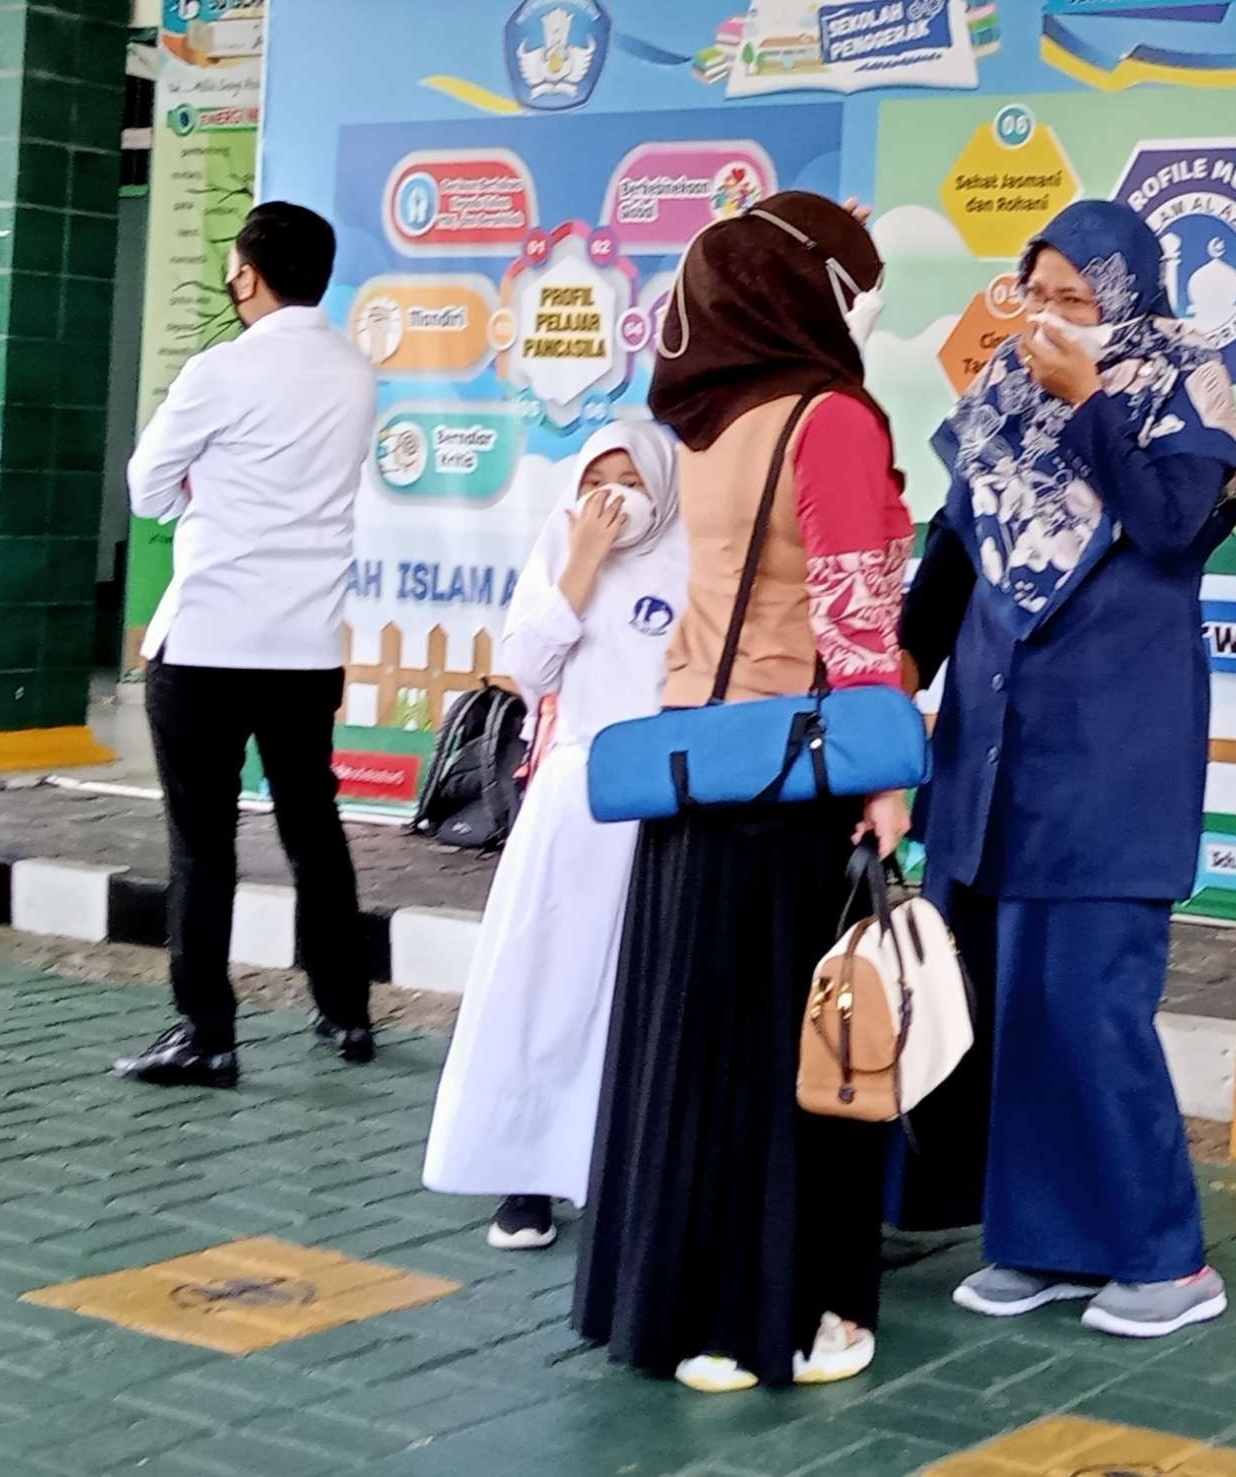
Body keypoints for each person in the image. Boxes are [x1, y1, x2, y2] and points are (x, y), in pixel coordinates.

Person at [572, 191, 911, 1394]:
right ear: (807, 295)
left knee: (689, 1044)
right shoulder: (829, 419)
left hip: (688, 769)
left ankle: (675, 1308)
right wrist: (887, 780)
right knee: (792, 1052)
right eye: (852, 290)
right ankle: (783, 1313)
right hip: (793, 769)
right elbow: (854, 613)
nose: (861, 315)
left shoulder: (711, 424)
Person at [894, 200, 1236, 1339]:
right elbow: (951, 557)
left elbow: (1168, 529)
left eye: (1075, 301)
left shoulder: (1185, 389)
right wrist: (890, 672)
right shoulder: (996, 397)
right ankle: (1039, 1242)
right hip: (992, 752)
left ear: (1128, 298)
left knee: (1092, 1006)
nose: (1048, 320)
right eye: (1034, 294)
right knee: (1008, 1007)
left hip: (1108, 753)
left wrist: (1089, 406)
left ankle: (1165, 1257)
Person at [116, 201, 376, 1087]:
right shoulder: (355, 372)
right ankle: (345, 1011)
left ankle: (207, 1032)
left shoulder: (219, 371)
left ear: (246, 276)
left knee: (202, 842)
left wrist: (208, 494)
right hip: (304, 647)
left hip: (209, 642)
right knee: (314, 824)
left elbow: (147, 485)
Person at [422, 420, 684, 1252]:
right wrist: (580, 567)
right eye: (597, 477)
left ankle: (623, 1168)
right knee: (544, 984)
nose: (615, 495)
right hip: (575, 797)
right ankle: (525, 1172)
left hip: (668, 796)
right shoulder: (562, 545)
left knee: (642, 990)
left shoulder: (697, 550)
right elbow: (528, 667)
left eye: (632, 477)